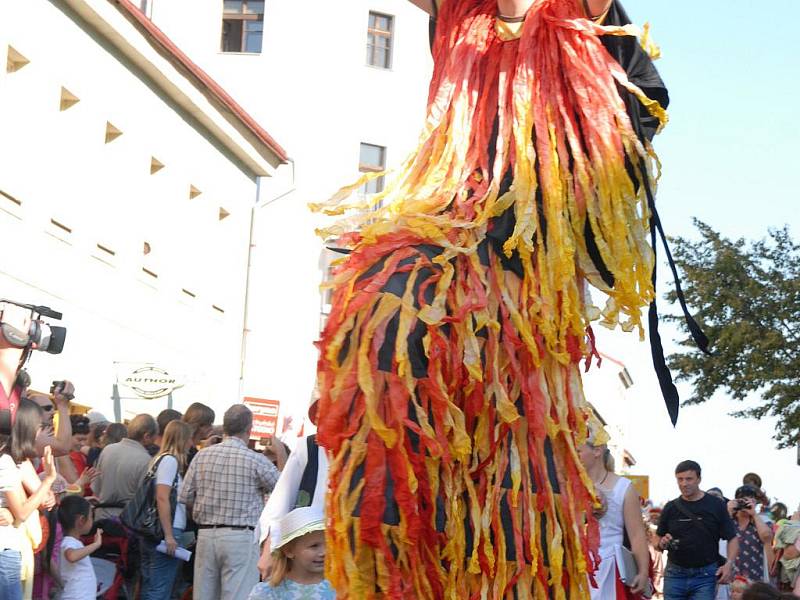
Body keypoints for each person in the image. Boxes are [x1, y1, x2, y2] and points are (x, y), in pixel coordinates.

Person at [312, 0, 671, 595]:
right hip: (451, 241)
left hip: (531, 283)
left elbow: (638, 120)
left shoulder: (591, 19)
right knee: (378, 296)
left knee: (514, 503)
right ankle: (388, 553)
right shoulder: (460, 16)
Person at [179, 404, 279, 600]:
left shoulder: (202, 455)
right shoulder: (255, 460)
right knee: (238, 595)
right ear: (249, 429)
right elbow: (282, 490)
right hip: (239, 535)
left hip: (206, 534)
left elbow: (185, 496)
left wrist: (205, 508)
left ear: (224, 427)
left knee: (204, 595)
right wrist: (280, 454)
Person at [579, 412, 650, 598]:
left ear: (597, 450)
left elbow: (636, 534)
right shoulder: (568, 484)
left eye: (578, 449)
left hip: (609, 570)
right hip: (574, 567)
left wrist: (643, 572)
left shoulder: (623, 487)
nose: (573, 452)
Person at [1, 399, 57, 600]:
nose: (40, 432)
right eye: (39, 426)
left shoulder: (16, 460)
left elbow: (42, 500)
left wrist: (44, 491)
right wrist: (48, 480)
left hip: (14, 546)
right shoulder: (6, 461)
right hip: (6, 548)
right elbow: (23, 511)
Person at [657, 461, 739, 599]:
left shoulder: (716, 505)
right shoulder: (670, 507)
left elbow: (732, 538)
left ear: (699, 479)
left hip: (705, 575)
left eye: (689, 479)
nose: (684, 483)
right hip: (675, 573)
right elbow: (657, 539)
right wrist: (662, 542)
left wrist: (729, 564)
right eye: (680, 479)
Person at [140, 420, 192, 600]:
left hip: (153, 530)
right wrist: (169, 534)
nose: (191, 444)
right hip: (165, 530)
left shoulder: (158, 460)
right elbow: (162, 497)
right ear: (182, 439)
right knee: (160, 589)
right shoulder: (170, 461)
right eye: (189, 439)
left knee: (150, 585)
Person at [248, 506, 334, 600]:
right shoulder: (267, 593)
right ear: (288, 551)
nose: (324, 552)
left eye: (328, 544)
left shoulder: (340, 589)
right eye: (314, 546)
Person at [92, 413, 157, 519]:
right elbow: (145, 500)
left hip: (101, 517)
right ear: (147, 436)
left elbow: (96, 487)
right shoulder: (146, 460)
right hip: (127, 521)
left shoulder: (108, 450)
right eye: (155, 436)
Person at [57, 494, 102, 600]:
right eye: (91, 517)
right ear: (81, 520)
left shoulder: (71, 541)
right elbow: (71, 556)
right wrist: (95, 544)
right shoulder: (69, 542)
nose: (92, 521)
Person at [730, 485, 774, 583]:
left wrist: (754, 515)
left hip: (754, 578)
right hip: (729, 578)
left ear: (756, 502)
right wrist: (728, 512)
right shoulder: (729, 519)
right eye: (742, 500)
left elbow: (767, 537)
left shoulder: (763, 521)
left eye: (750, 500)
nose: (745, 503)